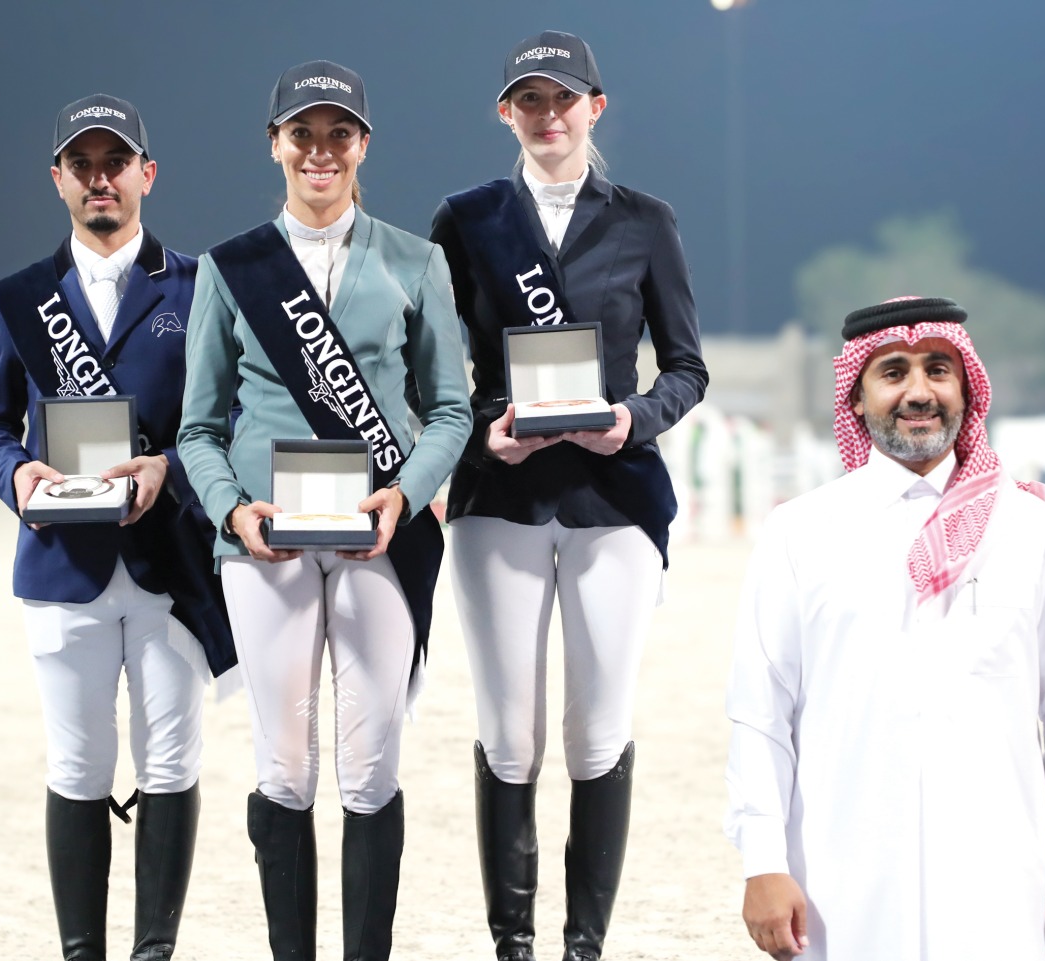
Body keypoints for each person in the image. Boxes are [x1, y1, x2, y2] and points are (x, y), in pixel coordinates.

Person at [176, 60, 471, 961]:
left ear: (363, 145)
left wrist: (404, 493)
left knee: (372, 765)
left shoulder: (417, 261)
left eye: (338, 133)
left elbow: (450, 409)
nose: (319, 151)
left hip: (380, 537)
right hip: (265, 544)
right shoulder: (230, 269)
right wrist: (233, 512)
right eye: (301, 134)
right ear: (275, 145)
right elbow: (198, 428)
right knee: (286, 766)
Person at [724, 296, 1045, 961]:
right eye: (892, 372)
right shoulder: (801, 531)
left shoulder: (1031, 528)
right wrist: (762, 860)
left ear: (966, 388)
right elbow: (761, 711)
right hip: (842, 884)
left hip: (999, 882)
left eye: (937, 369)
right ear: (856, 397)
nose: (918, 392)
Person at [430, 31, 708, 961]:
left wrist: (632, 419)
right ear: (505, 113)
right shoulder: (466, 220)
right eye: (530, 101)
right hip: (499, 498)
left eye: (564, 99)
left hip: (612, 497)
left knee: (599, 729)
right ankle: (513, 944)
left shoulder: (646, 221)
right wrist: (485, 430)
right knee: (509, 732)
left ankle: (583, 944)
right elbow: (431, 366)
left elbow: (686, 367)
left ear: (596, 106)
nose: (548, 116)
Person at [0, 94, 235, 961]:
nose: (99, 178)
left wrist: (170, 468)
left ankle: (154, 951)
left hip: (170, 565)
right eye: (81, 164)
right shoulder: (18, 299)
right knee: (76, 766)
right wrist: (19, 475)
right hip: (61, 564)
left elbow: (229, 420)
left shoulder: (200, 287)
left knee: (172, 762)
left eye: (115, 162)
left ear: (146, 174)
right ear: (58, 180)